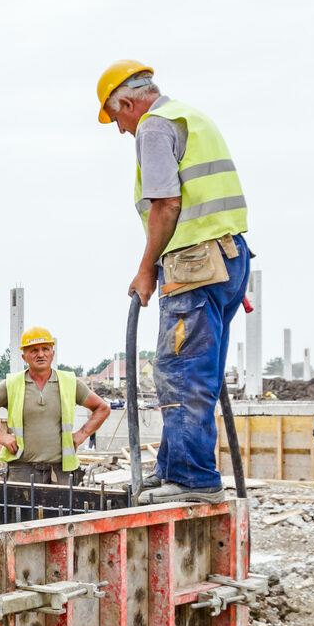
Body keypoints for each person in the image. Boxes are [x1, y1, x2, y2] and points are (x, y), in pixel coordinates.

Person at [98, 60, 251, 504]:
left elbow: (166, 203)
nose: (123, 131)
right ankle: (175, 471)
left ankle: (190, 478)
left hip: (195, 261)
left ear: (127, 103)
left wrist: (146, 268)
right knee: (198, 372)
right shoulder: (192, 117)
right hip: (226, 258)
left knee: (179, 371)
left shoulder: (153, 127)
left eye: (117, 119)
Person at [0, 327, 110, 484]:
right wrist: (1, 436)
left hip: (61, 470)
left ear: (52, 353)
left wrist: (82, 434)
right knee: (20, 509)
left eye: (45, 349)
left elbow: (102, 408)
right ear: (25, 357)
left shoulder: (69, 382)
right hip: (22, 469)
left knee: (60, 509)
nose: (41, 354)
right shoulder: (12, 384)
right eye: (34, 350)